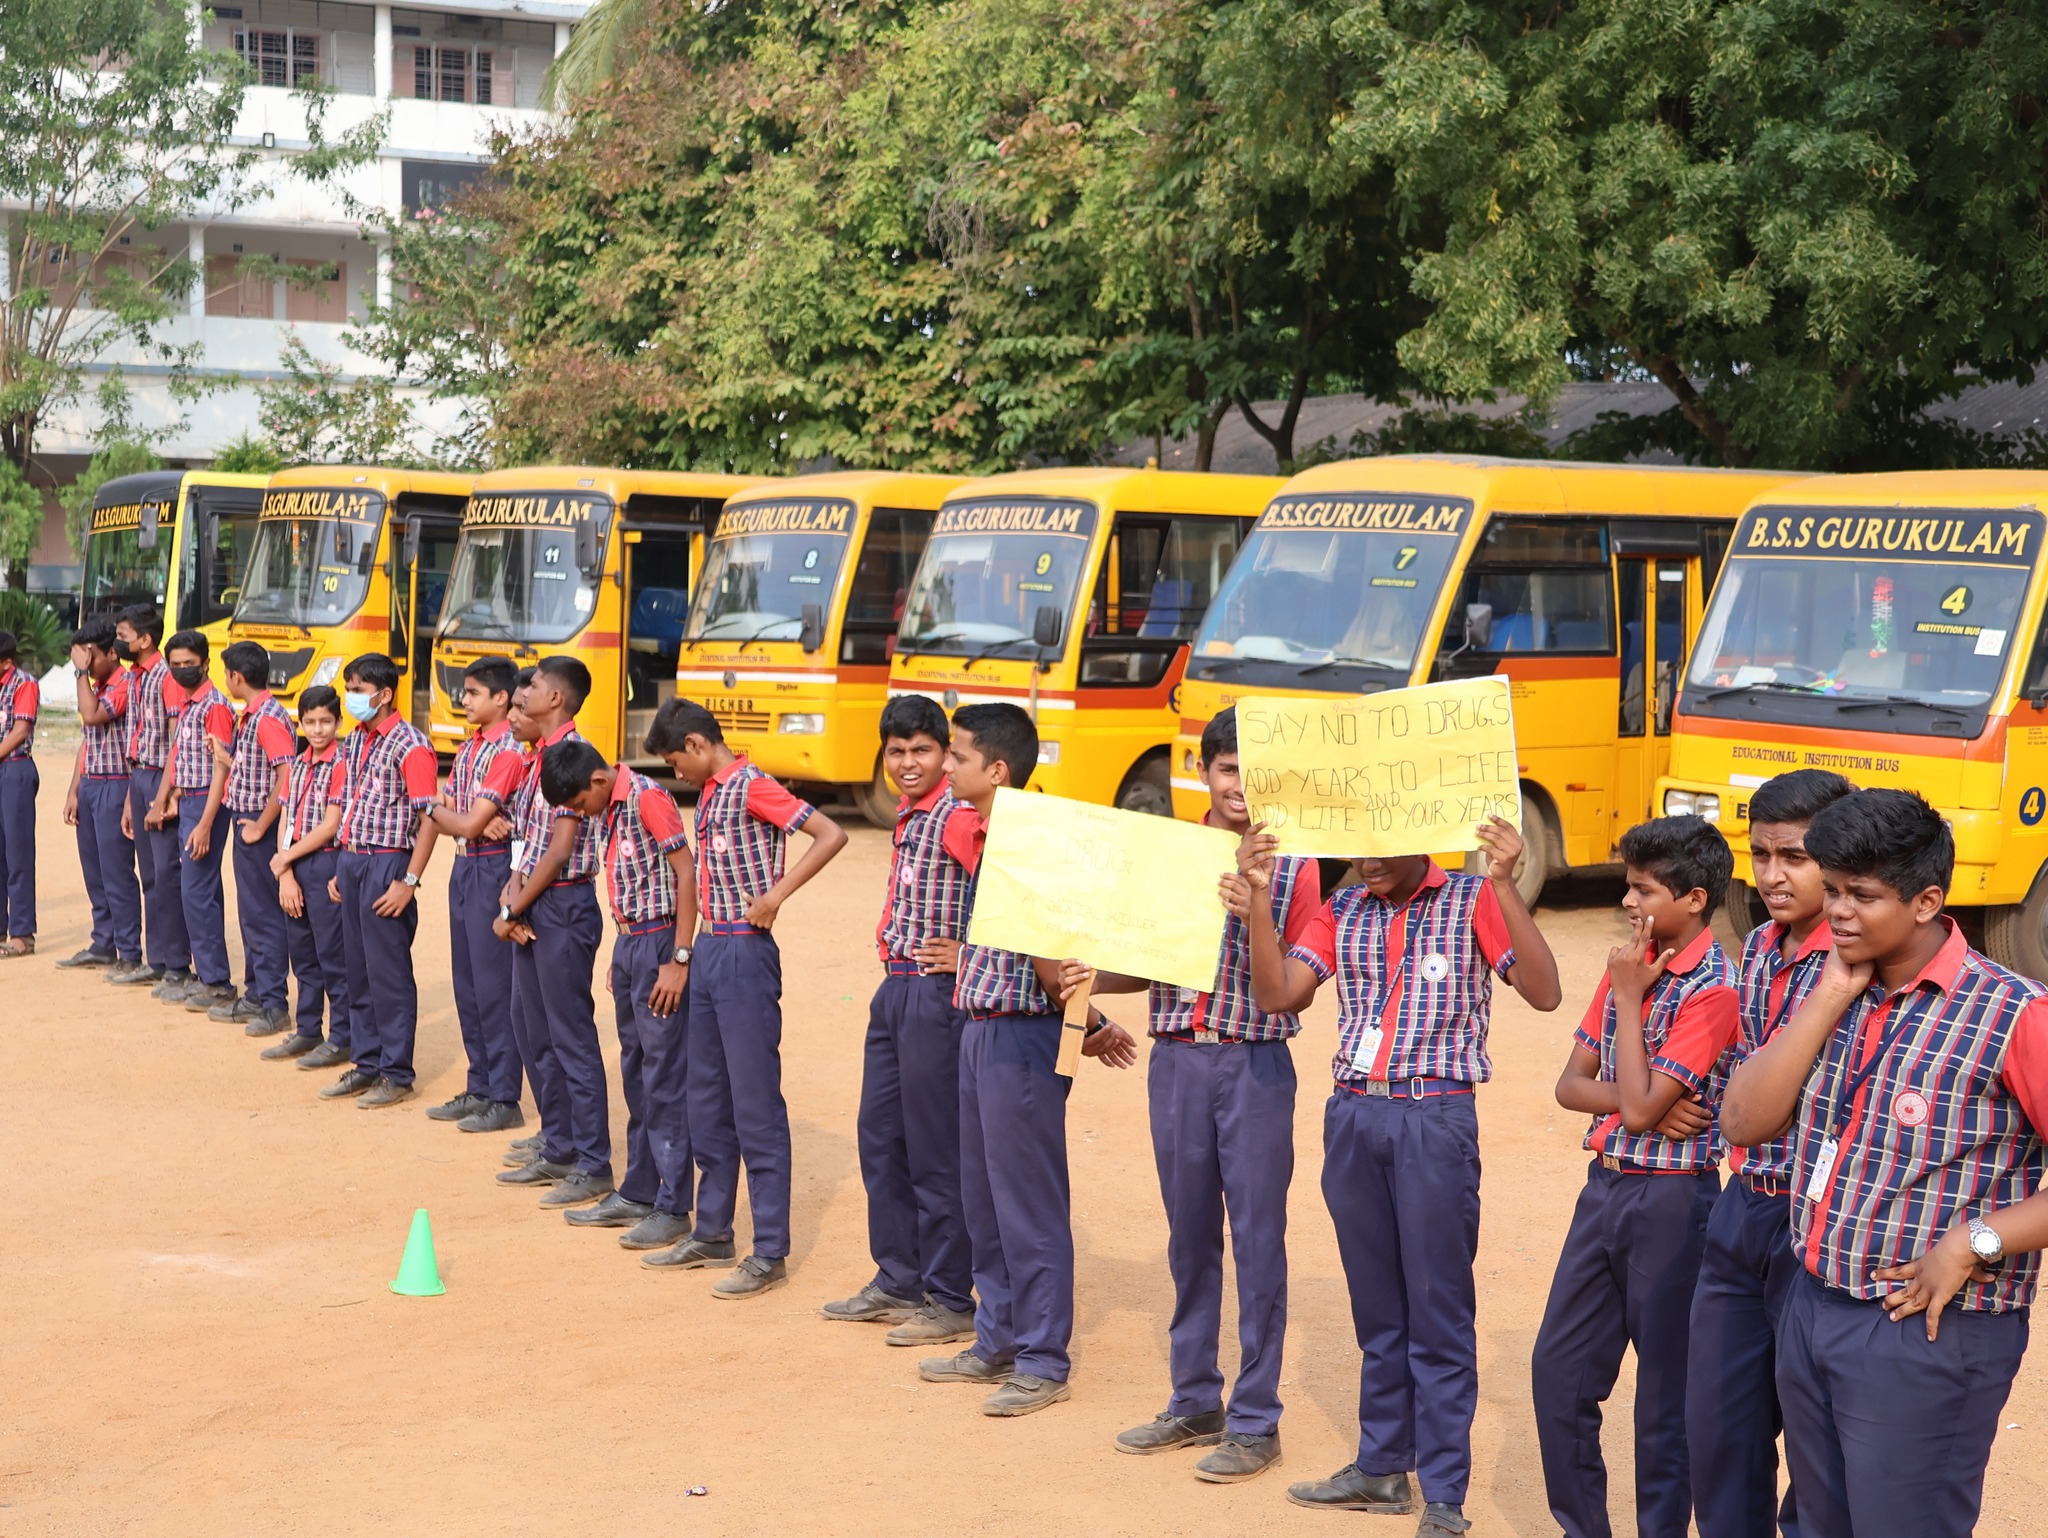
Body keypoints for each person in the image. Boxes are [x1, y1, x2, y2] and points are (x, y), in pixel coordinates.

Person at [1722, 789, 2048, 1538]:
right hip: (1812, 1301)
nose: (1837, 912)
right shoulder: (1822, 980)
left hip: (1929, 1330)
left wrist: (1975, 1242)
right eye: (1833, 890)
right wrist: (1833, 991)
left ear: (1928, 900)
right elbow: (1744, 1121)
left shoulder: (2012, 1014)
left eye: (1862, 896)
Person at [1239, 813, 1560, 1527]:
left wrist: (1507, 885)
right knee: (1378, 1309)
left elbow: (1543, 992)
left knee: (1437, 1312)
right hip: (1353, 1116)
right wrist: (1261, 899)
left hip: (1434, 1119)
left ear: (1423, 833)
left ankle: (1444, 1494)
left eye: (1382, 845)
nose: (1366, 860)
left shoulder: (1474, 899)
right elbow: (1277, 996)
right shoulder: (1343, 906)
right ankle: (1383, 1467)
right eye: (1356, 845)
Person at [1061, 706, 1327, 1483]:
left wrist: (1259, 904)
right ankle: (1193, 1398)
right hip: (1176, 1061)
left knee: (1258, 1239)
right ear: (1202, 773)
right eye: (1225, 768)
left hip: (1252, 1063)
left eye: (1254, 771)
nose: (1238, 784)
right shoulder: (1174, 853)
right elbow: (1147, 962)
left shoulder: (1299, 865)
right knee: (1188, 1235)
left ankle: (1256, 1419)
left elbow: (1295, 996)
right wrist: (1092, 972)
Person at [915, 702, 1135, 1417]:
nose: (947, 765)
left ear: (996, 769)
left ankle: (1041, 1357)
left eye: (958, 755)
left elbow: (1051, 960)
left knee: (1026, 1202)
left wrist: (1090, 1020)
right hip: (986, 1030)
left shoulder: (1031, 843)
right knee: (985, 1196)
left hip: (1019, 1037)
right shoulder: (1005, 835)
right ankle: (997, 1337)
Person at [1530, 814, 1740, 1538]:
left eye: (1643, 889)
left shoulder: (1713, 987)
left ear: (1694, 899)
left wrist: (1627, 1008)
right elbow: (1571, 1085)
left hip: (1674, 1204)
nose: (1628, 901)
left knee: (1664, 1403)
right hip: (1608, 1188)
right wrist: (1636, 1102)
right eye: (1628, 886)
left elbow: (1643, 1107)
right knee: (1557, 1375)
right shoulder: (1631, 960)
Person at [1687, 768, 1852, 1538]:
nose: (1773, 875)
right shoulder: (1756, 945)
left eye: (1794, 857)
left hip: (1816, 1226)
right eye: (1760, 855)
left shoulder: (1860, 966)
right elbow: (1740, 1063)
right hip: (1743, 1204)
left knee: (1819, 1446)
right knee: (1720, 1434)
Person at [638, 696, 847, 1296]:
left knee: (755, 1104)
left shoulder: (752, 785)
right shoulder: (710, 790)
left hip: (745, 953)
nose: (676, 772)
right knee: (706, 1098)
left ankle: (771, 1249)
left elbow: (828, 834)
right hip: (709, 950)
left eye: (677, 760)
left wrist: (777, 894)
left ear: (700, 746)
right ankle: (713, 1229)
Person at [822, 694, 982, 1346]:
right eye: (896, 752)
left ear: (945, 754)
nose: (908, 762)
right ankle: (897, 1275)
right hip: (896, 991)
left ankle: (948, 1296)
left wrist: (969, 954)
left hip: (938, 998)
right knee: (881, 1138)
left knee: (935, 1150)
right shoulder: (911, 814)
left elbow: (1013, 890)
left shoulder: (959, 818)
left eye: (922, 750)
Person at [540, 738, 699, 1250]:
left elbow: (685, 874)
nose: (580, 816)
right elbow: (630, 881)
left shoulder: (648, 797)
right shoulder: (609, 805)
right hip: (632, 941)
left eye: (579, 805)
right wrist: (620, 948)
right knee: (635, 1069)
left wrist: (678, 958)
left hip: (659, 945)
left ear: (598, 782)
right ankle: (638, 1189)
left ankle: (674, 1205)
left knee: (664, 1075)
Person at [493, 658, 611, 1207]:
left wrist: (516, 906)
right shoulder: (535, 753)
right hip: (537, 900)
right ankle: (558, 1141)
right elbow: (531, 841)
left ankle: (592, 1161)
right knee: (531, 1025)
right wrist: (512, 891)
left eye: (533, 687)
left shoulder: (574, 757)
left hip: (562, 904)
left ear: (556, 699)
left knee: (570, 1037)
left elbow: (562, 850)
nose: (523, 695)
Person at [320, 652, 440, 1107]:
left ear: (384, 694)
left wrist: (408, 880)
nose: (351, 698)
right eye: (348, 689)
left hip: (388, 863)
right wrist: (339, 864)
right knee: (357, 969)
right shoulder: (355, 741)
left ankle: (396, 1071)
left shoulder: (411, 745)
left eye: (357, 689)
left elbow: (429, 816)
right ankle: (366, 1062)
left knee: (388, 970)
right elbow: (349, 803)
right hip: (352, 861)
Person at [420, 656, 525, 1133]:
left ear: (501, 698)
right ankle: (479, 1083)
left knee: (492, 986)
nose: (464, 700)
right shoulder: (471, 748)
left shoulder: (507, 751)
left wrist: (446, 813)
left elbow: (456, 817)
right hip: (467, 864)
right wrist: (460, 817)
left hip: (491, 867)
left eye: (473, 693)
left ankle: (504, 1095)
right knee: (467, 984)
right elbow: (456, 816)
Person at [147, 631, 235, 1012]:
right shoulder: (188, 704)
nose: (183, 670)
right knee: (200, 891)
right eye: (176, 665)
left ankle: (216, 980)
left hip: (206, 803)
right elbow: (182, 756)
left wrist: (205, 823)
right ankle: (207, 974)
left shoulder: (214, 706)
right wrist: (170, 794)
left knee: (196, 891)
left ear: (205, 662)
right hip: (191, 800)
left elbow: (220, 769)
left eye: (189, 663)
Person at [213, 641, 297, 1036]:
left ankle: (274, 1002)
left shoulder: (265, 719)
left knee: (262, 918)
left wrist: (262, 825)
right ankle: (258, 993)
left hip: (257, 831)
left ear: (237, 677)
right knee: (251, 916)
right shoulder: (256, 715)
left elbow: (286, 775)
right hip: (248, 825)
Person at [101, 605, 185, 991]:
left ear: (145, 639)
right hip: (139, 776)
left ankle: (177, 963)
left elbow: (174, 742)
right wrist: (131, 803)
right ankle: (158, 959)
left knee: (167, 874)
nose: (118, 642)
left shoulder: (165, 678)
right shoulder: (135, 678)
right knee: (150, 875)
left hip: (158, 777)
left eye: (123, 634)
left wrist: (163, 794)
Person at [269, 687, 349, 1064]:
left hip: (324, 861)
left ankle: (343, 1035)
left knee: (332, 953)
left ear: (338, 722)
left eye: (326, 722)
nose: (318, 730)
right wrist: (285, 869)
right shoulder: (298, 764)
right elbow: (287, 814)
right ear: (300, 723)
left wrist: (287, 857)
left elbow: (330, 825)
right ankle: (307, 1029)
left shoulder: (342, 763)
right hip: (296, 862)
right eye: (310, 722)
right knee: (301, 951)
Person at [59, 618, 140, 972]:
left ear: (111, 652)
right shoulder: (96, 684)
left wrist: (79, 675)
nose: (86, 663)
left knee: (116, 872)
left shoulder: (123, 684)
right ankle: (103, 942)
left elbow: (91, 717)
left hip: (116, 783)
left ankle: (129, 951)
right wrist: (74, 789)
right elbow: (86, 740)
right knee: (94, 871)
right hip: (93, 783)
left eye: (89, 656)